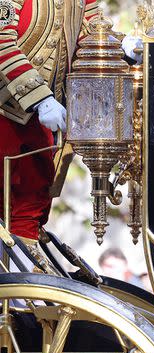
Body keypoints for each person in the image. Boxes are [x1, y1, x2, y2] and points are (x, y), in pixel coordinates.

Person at [0, 0, 140, 242]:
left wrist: (120, 45)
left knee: (32, 202)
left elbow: (90, 32)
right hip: (7, 110)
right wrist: (39, 98)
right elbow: (2, 41)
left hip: (43, 119)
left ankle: (21, 271)